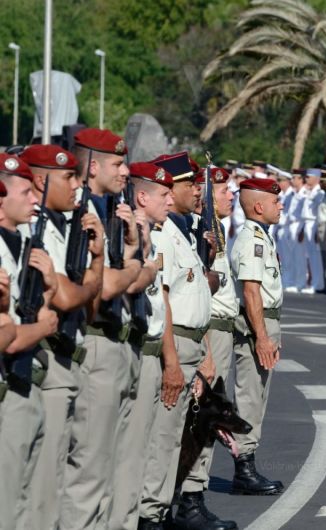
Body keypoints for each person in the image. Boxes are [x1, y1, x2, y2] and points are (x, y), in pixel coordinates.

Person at [62, 128, 147, 530]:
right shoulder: (83, 213)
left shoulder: (110, 209)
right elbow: (109, 285)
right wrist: (134, 263)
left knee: (115, 466)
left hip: (119, 341)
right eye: (117, 163)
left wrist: (131, 251)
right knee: (90, 472)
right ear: (93, 166)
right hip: (96, 343)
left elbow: (130, 277)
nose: (125, 171)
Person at [21, 144, 105, 530]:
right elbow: (70, 296)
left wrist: (97, 259)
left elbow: (85, 301)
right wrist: (88, 279)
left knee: (61, 471)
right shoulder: (34, 229)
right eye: (68, 177)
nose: (75, 185)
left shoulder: (62, 226)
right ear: (40, 180)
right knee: (43, 481)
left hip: (67, 355)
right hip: (46, 360)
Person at [138, 152, 216, 529]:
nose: (192, 192)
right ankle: (152, 514)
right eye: (187, 184)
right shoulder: (162, 235)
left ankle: (164, 509)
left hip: (191, 345)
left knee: (175, 436)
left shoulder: (181, 231)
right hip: (176, 347)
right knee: (164, 437)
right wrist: (172, 361)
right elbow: (164, 302)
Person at [107, 162, 173, 530]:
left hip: (142, 347)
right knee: (122, 452)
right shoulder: (130, 228)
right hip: (129, 345)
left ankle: (138, 518)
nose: (171, 200)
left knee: (141, 447)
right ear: (142, 196)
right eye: (164, 194)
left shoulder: (158, 231)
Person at [176, 166, 239, 530]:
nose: (228, 195)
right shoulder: (199, 229)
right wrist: (207, 352)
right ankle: (189, 500)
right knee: (202, 418)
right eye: (222, 189)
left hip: (215, 327)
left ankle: (190, 497)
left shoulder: (214, 228)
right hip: (206, 330)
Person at [0, 154, 58, 528]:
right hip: (11, 381)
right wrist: (43, 327)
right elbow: (9, 335)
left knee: (29, 502)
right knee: (9, 502)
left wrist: (49, 288)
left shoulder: (18, 243)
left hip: (26, 379)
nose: (35, 198)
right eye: (25, 191)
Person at [229, 177, 285, 496]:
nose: (281, 206)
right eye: (276, 202)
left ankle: (247, 464)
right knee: (250, 396)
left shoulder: (262, 235)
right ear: (259, 206)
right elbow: (251, 292)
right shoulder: (252, 240)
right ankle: (243, 468)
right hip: (255, 326)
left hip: (265, 322)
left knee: (258, 396)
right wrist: (262, 337)